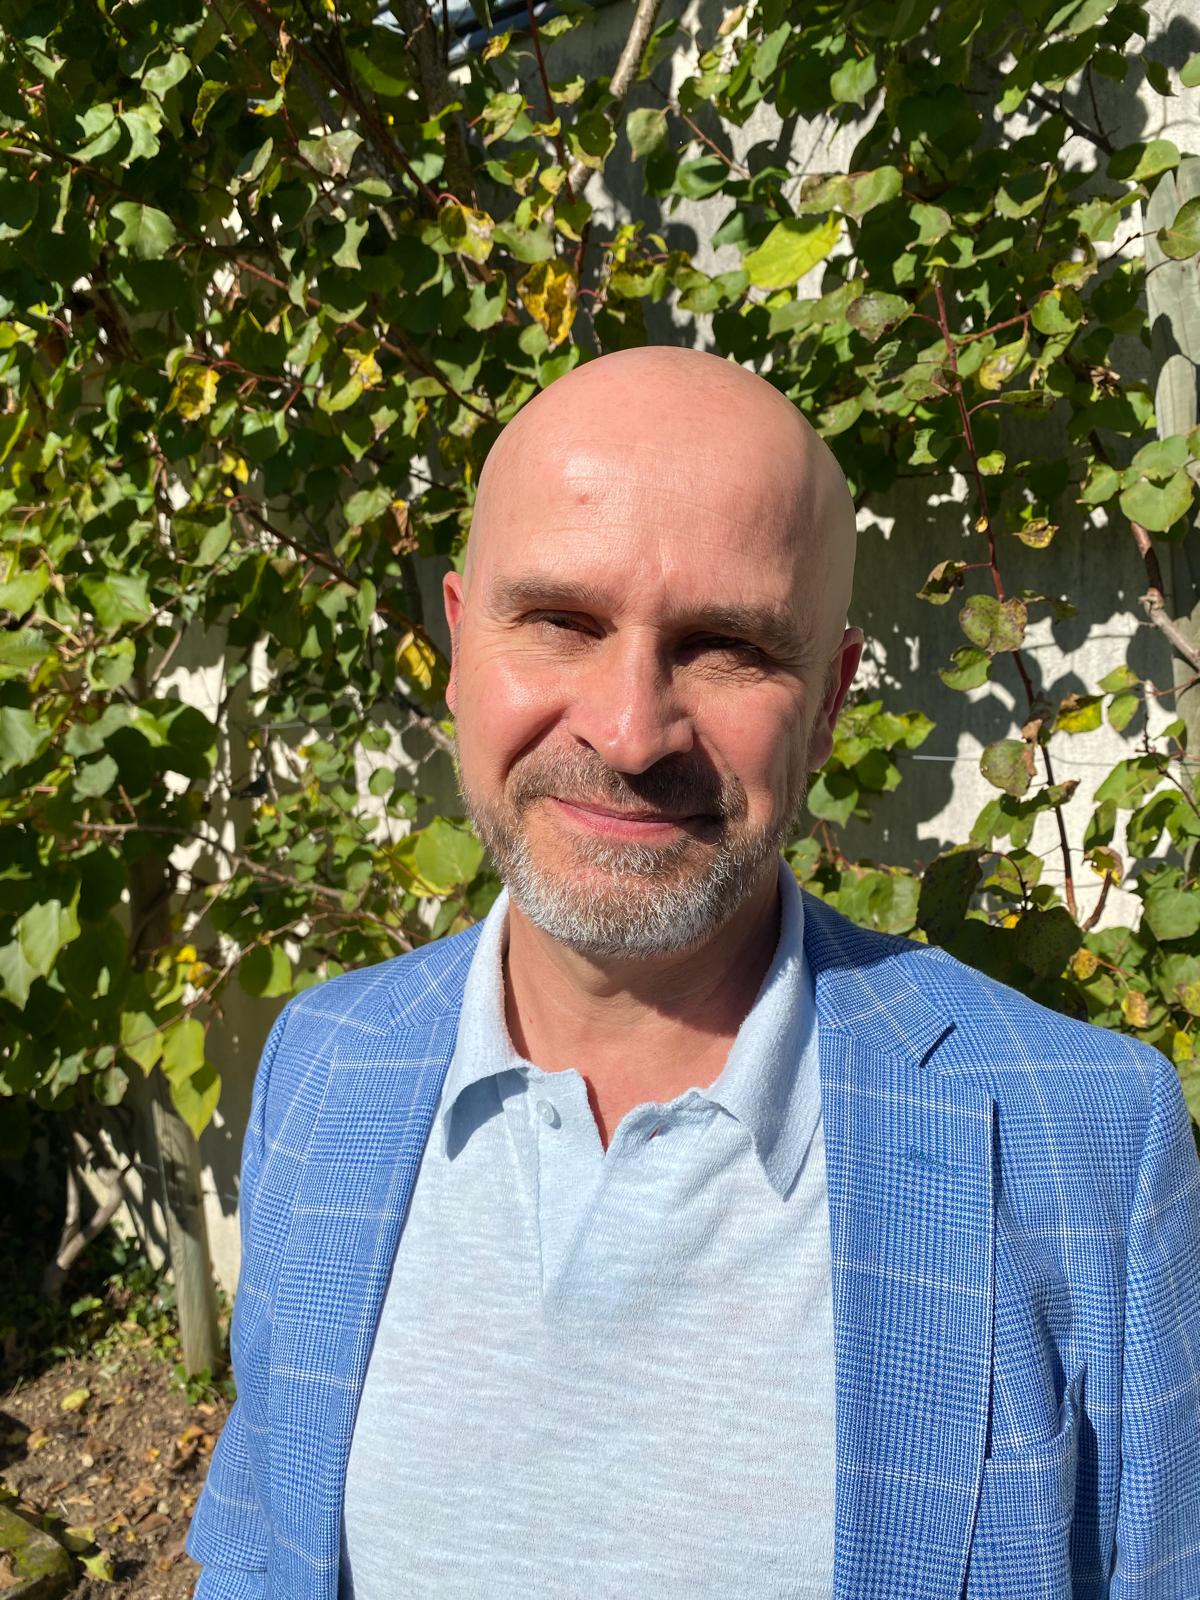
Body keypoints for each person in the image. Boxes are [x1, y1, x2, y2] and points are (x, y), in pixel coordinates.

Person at [188, 347, 1200, 1599]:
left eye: (725, 646)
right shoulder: (325, 1065)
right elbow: (256, 1551)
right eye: (560, 621)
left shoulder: (1081, 1143)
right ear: (456, 642)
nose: (628, 731)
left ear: (826, 706)